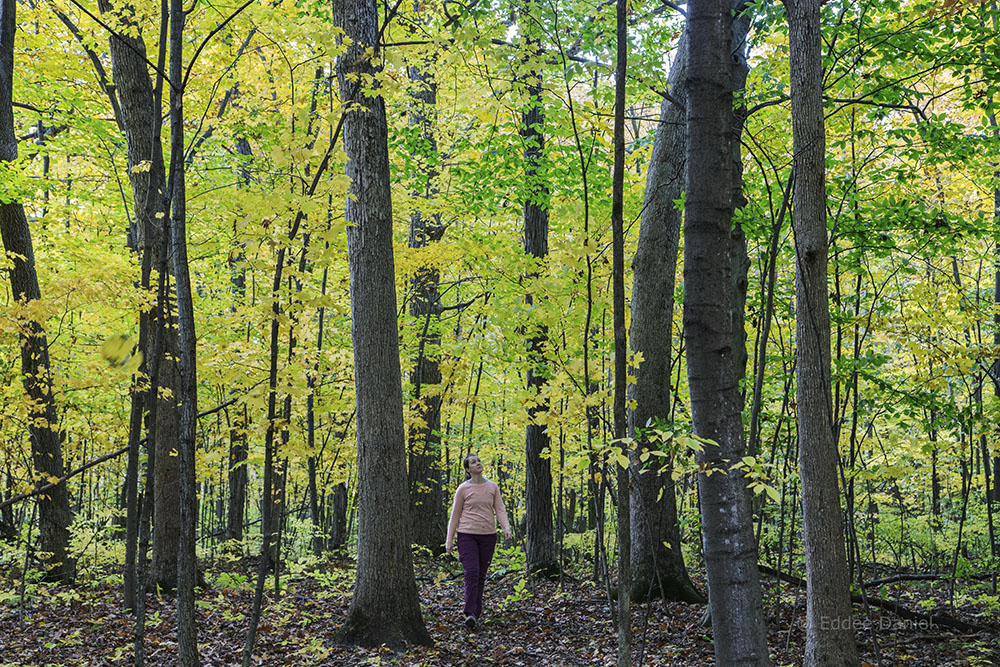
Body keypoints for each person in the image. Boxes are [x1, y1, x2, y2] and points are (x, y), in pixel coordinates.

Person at [445, 453, 512, 630]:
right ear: (468, 469)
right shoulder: (463, 489)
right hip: (467, 535)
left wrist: (506, 528)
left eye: (479, 461)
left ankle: (476, 613)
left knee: (481, 575)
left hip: (488, 536)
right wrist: (449, 540)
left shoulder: (492, 487)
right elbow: (455, 516)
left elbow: (500, 509)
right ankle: (470, 613)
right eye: (473, 462)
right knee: (471, 572)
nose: (478, 464)